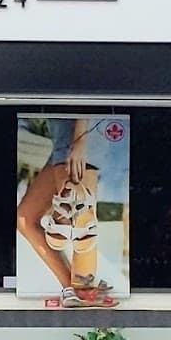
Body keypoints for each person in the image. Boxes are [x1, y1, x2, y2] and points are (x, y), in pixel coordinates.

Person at [16, 117, 105, 293]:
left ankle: (84, 294)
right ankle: (73, 290)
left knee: (81, 226)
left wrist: (80, 140)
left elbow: (87, 98)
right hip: (63, 142)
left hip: (78, 139)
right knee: (25, 218)